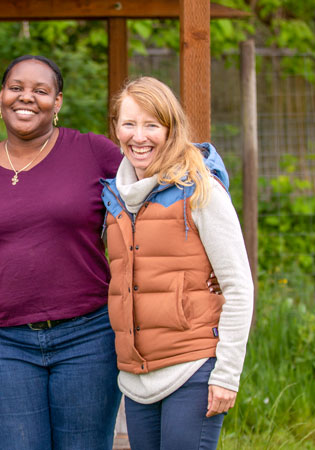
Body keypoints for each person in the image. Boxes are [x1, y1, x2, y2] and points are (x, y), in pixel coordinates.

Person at [0, 55, 123, 450]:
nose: (25, 97)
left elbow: (151, 200)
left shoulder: (93, 153)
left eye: (40, 90)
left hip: (87, 337)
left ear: (58, 101)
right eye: (15, 87)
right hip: (6, 344)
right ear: (1, 97)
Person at [101, 76, 253, 450]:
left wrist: (227, 375)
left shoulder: (201, 189)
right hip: (138, 378)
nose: (140, 136)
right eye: (129, 124)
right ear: (116, 129)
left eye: (152, 125)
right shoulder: (113, 199)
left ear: (171, 129)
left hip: (193, 368)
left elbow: (238, 286)